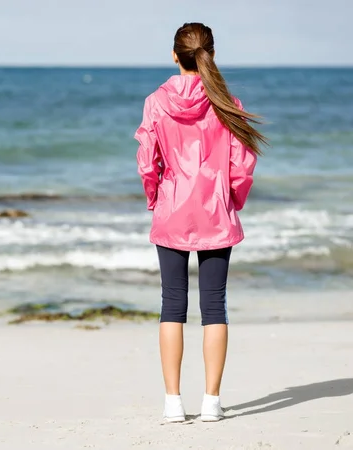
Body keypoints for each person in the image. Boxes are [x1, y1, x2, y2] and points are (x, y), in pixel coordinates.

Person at [135, 22, 266, 422]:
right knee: (214, 307)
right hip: (215, 211)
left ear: (175, 55)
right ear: (210, 54)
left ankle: (173, 403)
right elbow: (242, 166)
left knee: (172, 304)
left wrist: (155, 197)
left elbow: (147, 161)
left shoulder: (156, 101)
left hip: (172, 210)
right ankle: (211, 402)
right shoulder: (226, 101)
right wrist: (233, 201)